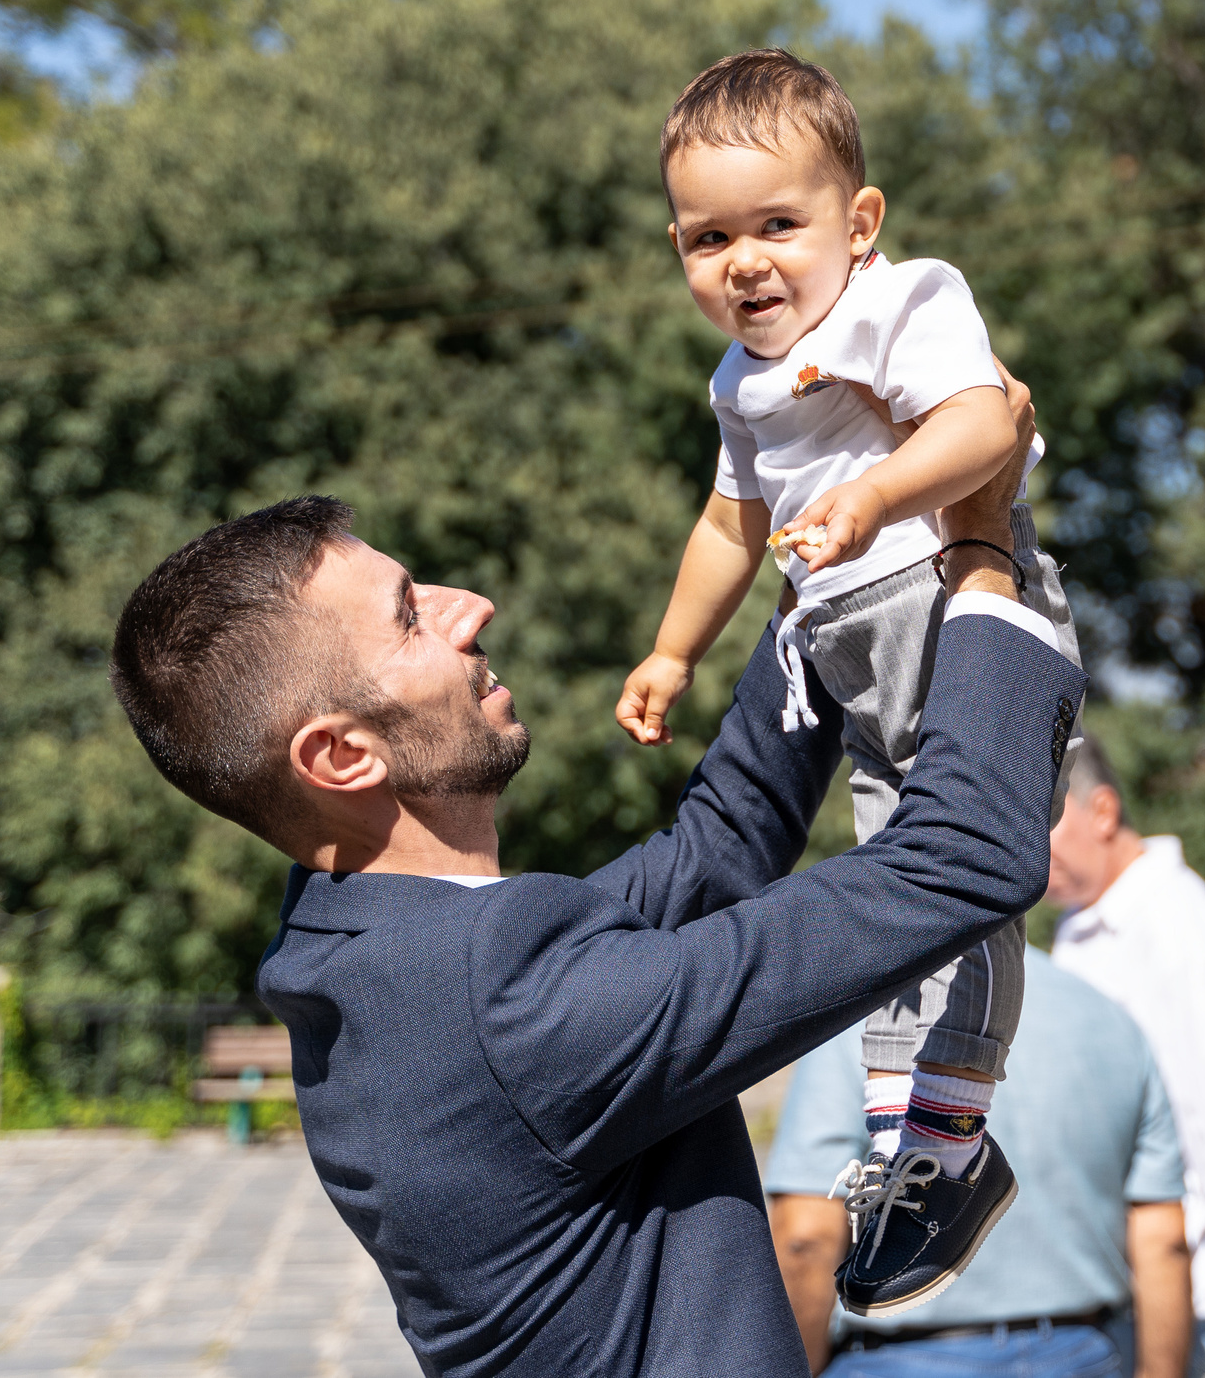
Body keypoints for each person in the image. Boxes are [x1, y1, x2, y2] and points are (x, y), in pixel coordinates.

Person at [102, 394, 1086, 1377]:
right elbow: (963, 855)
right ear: (342, 756)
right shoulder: (500, 999)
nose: (470, 608)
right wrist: (982, 544)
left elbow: (719, 849)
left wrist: (820, 578)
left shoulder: (375, 954)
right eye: (411, 617)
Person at [615, 48, 1084, 1315]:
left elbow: (989, 424)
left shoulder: (900, 301)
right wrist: (674, 651)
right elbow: (727, 527)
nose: (745, 261)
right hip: (847, 656)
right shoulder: (737, 381)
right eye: (709, 238)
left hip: (957, 614)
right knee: (892, 895)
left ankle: (946, 1143)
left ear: (857, 222)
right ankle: (913, 1143)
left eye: (778, 223)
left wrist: (876, 495)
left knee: (960, 875)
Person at [766, 948, 1194, 1378]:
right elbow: (1164, 1240)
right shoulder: (1111, 1021)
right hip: (1082, 1354)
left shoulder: (868, 1013)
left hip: (896, 1360)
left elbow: (806, 1238)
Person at [1046, 736, 1205, 1378]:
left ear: (1104, 812)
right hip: (1108, 1265)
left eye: (1047, 825)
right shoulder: (1083, 921)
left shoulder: (1174, 919)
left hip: (1173, 1265)